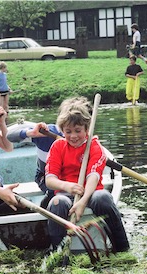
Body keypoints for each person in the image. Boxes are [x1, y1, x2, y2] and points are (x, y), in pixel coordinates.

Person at [44, 97, 130, 252]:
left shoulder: (94, 146)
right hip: (66, 194)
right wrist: (67, 186)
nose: (73, 136)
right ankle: (58, 252)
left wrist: (83, 201)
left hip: (92, 192)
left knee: (102, 198)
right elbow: (50, 180)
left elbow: (93, 176)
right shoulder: (57, 146)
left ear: (87, 129)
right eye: (68, 132)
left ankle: (122, 248)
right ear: (62, 130)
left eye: (78, 131)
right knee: (57, 203)